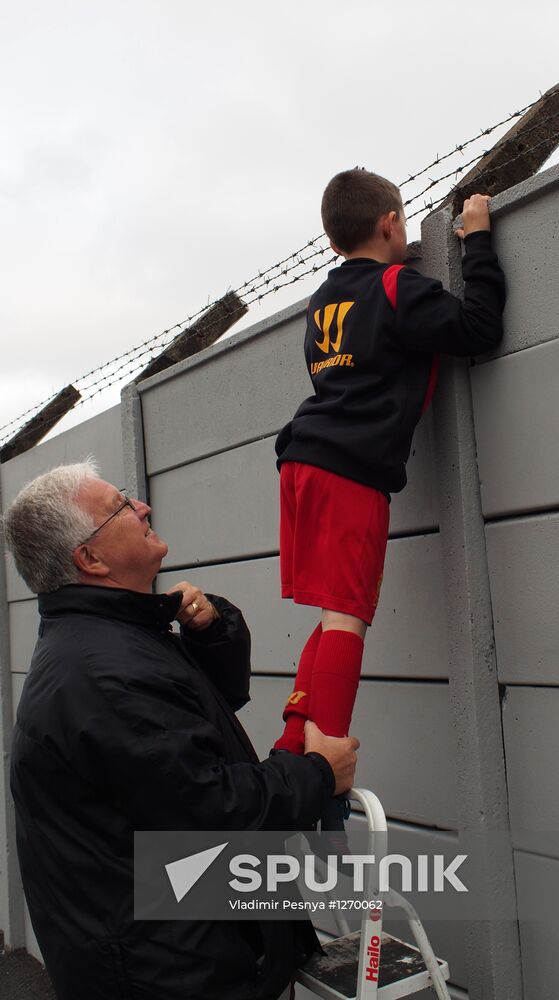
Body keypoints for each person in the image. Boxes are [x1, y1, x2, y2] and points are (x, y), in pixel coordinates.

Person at [3, 460, 359, 1000]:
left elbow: (202, 715)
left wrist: (211, 632)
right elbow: (212, 810)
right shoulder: (105, 675)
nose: (141, 506)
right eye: (121, 507)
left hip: (169, 945)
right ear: (91, 559)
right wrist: (316, 773)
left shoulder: (112, 640)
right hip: (170, 973)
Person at [273, 169, 505, 810]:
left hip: (303, 463)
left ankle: (293, 746)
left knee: (330, 613)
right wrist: (478, 241)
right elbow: (479, 328)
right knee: (347, 616)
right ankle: (323, 781)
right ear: (391, 225)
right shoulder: (399, 285)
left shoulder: (327, 301)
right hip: (349, 471)